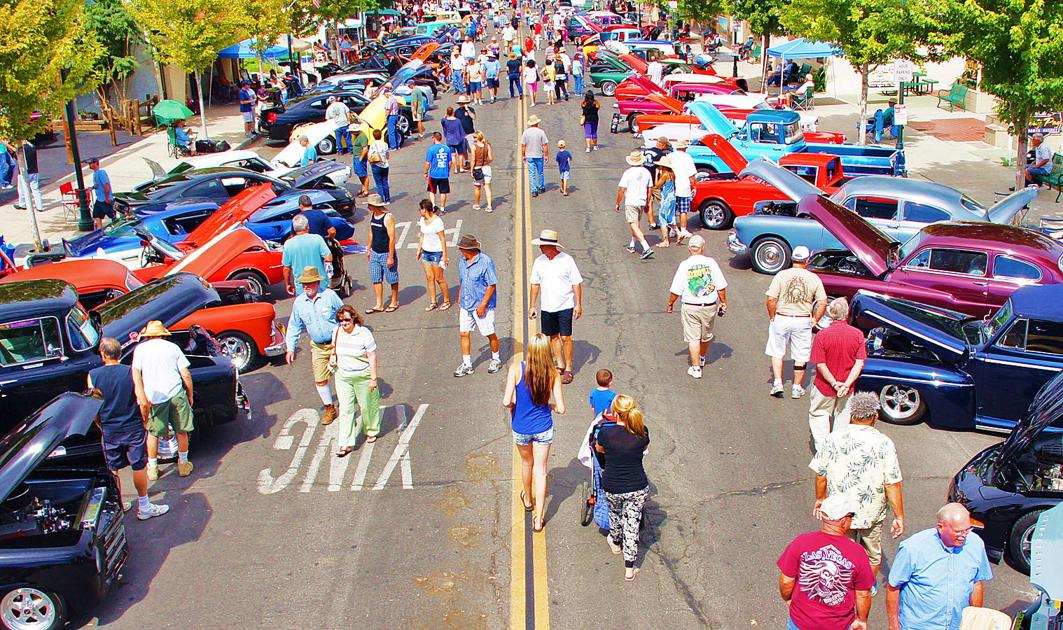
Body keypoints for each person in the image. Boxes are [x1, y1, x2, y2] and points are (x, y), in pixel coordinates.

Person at [811, 392, 904, 588]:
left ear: (852, 414)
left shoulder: (833, 439)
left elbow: (821, 473)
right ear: (875, 416)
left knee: (844, 550)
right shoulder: (884, 443)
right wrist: (899, 516)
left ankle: (844, 585)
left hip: (841, 511)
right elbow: (892, 483)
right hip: (872, 510)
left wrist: (820, 499)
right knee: (872, 554)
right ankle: (864, 587)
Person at [88, 337, 169, 520]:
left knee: (113, 469)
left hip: (109, 428)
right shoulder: (131, 372)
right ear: (119, 353)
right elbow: (142, 400)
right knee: (138, 466)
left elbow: (92, 405)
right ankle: (144, 505)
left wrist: (99, 423)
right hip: (132, 426)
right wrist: (145, 419)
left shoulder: (93, 375)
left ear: (103, 354)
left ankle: (119, 503)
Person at [887, 503, 994, 630]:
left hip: (957, 625)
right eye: (958, 531)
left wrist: (974, 620)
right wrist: (894, 625)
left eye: (967, 529)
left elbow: (976, 583)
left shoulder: (975, 544)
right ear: (940, 527)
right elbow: (893, 587)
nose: (964, 535)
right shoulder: (913, 549)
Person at [778, 493, 874, 630]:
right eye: (851, 516)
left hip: (800, 623)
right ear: (843, 521)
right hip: (838, 625)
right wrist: (861, 619)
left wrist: (787, 598)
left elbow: (786, 580)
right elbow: (863, 594)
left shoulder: (801, 542)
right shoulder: (857, 553)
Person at [502, 332, 566, 533]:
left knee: (526, 463)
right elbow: (562, 408)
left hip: (521, 427)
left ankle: (528, 499)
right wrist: (551, 406)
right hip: (543, 428)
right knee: (541, 469)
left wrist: (515, 403)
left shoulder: (516, 369)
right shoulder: (553, 374)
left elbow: (506, 402)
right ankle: (539, 519)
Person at [131, 321, 196, 480]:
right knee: (182, 430)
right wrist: (190, 394)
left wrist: (142, 397)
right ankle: (183, 463)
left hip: (154, 397)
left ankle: (152, 468)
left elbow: (136, 374)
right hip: (175, 393)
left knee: (154, 433)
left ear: (147, 335)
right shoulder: (172, 348)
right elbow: (185, 374)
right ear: (161, 333)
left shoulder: (140, 350)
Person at [765, 245, 828, 399]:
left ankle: (778, 383)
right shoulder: (813, 278)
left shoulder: (781, 275)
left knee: (777, 351)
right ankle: (796, 387)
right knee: (801, 354)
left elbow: (771, 299)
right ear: (806, 260)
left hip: (782, 316)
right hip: (802, 319)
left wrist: (772, 316)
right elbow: (823, 302)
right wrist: (815, 319)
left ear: (793, 259)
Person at [285, 266, 344, 427]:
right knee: (320, 380)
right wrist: (290, 348)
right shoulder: (299, 303)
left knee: (343, 377)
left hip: (336, 344)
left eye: (309, 283)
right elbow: (294, 326)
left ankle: (347, 406)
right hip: (318, 347)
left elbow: (344, 314)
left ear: (317, 283)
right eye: (303, 284)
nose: (306, 287)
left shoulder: (329, 296)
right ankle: (330, 408)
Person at [808, 298, 866, 452]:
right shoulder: (858, 335)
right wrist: (846, 384)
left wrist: (834, 383)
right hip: (847, 388)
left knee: (819, 415)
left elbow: (820, 364)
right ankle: (837, 451)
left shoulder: (822, 335)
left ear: (831, 313)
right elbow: (859, 363)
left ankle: (823, 451)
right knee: (842, 419)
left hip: (824, 386)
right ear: (846, 314)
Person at [665, 234, 728, 379]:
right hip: (709, 306)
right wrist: (723, 302)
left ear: (689, 249)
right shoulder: (711, 263)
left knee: (693, 338)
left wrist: (670, 304)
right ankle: (701, 357)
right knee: (705, 336)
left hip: (690, 306)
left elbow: (675, 290)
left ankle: (696, 368)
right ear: (702, 248)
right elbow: (721, 286)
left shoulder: (684, 265)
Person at [528, 229, 583, 385]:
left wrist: (578, 304)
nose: (540, 248)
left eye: (543, 245)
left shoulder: (567, 260)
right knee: (552, 336)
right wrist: (532, 305)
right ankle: (560, 364)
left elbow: (576, 283)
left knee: (565, 337)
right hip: (547, 306)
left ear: (552, 246)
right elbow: (535, 284)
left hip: (565, 304)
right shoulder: (539, 261)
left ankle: (569, 368)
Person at [329, 305, 382, 456]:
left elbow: (372, 356)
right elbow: (334, 349)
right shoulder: (337, 331)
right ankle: (345, 443)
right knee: (345, 409)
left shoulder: (363, 333)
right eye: (340, 320)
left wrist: (373, 379)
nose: (344, 323)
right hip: (343, 376)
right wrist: (333, 359)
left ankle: (371, 430)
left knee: (367, 406)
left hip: (362, 376)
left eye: (346, 320)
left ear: (353, 318)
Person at [454, 234, 502, 377]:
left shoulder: (485, 262)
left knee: (489, 333)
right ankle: (467, 364)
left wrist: (483, 305)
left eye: (462, 249)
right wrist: (459, 296)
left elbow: (491, 284)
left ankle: (496, 358)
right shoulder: (462, 262)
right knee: (464, 333)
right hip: (466, 304)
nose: (461, 251)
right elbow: (463, 280)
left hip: (481, 306)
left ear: (469, 249)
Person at [616, 151, 655, 259]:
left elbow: (622, 189)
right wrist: (647, 201)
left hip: (631, 201)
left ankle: (646, 247)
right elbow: (650, 188)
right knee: (636, 224)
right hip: (642, 201)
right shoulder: (646, 172)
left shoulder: (628, 173)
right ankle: (632, 245)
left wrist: (617, 203)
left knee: (633, 224)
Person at [365, 194, 399, 313]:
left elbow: (392, 238)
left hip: (386, 252)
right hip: (375, 251)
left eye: (369, 205)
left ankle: (394, 301)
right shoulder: (373, 215)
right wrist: (368, 248)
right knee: (376, 278)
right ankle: (379, 304)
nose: (368, 207)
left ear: (375, 205)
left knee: (392, 278)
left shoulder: (387, 217)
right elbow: (371, 232)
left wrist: (390, 256)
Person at [282, 213, 331, 295]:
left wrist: (288, 284)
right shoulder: (317, 239)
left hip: (302, 287)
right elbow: (329, 258)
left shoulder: (288, 244)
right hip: (320, 284)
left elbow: (286, 268)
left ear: (294, 228)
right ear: (308, 226)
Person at [417, 199, 451, 311]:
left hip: (437, 253)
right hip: (426, 252)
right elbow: (422, 235)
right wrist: (419, 249)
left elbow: (442, 239)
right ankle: (433, 301)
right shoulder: (422, 220)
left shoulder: (437, 221)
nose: (419, 211)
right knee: (429, 278)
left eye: (421, 209)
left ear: (425, 209)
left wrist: (444, 255)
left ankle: (446, 300)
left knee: (439, 278)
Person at [669, 140, 697, 240]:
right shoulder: (687, 157)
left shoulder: (670, 156)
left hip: (671, 187)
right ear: (685, 148)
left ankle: (673, 230)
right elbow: (692, 175)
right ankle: (683, 230)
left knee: (672, 211)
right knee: (683, 211)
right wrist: (694, 186)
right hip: (684, 187)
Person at [424, 132, 453, 213]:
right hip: (444, 174)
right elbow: (450, 162)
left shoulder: (431, 149)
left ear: (434, 138)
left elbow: (428, 162)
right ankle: (443, 208)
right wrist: (447, 170)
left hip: (433, 174)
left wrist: (425, 172)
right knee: (443, 192)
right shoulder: (447, 148)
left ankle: (433, 205)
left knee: (432, 191)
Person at [521, 114, 549, 197]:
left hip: (529, 155)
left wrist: (523, 155)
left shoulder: (526, 132)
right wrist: (546, 155)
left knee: (531, 173)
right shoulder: (541, 132)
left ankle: (534, 190)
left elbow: (523, 145)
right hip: (539, 155)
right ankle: (541, 187)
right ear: (537, 123)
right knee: (540, 172)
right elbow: (545, 145)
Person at [653, 155, 677, 246]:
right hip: (672, 197)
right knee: (671, 217)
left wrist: (657, 174)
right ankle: (678, 232)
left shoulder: (665, 174)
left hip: (666, 198)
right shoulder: (672, 173)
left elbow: (657, 185)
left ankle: (665, 241)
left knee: (663, 219)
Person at [470, 130, 494, 212]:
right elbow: (491, 158)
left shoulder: (474, 147)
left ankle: (477, 204)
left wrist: (471, 170)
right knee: (487, 187)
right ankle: (489, 206)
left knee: (477, 187)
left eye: (474, 137)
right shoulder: (487, 146)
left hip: (477, 168)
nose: (474, 139)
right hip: (486, 167)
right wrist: (486, 162)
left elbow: (473, 159)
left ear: (478, 138)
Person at [87, 157, 115, 229]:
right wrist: (92, 187)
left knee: (112, 215)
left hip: (104, 199)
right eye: (89, 163)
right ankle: (100, 229)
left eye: (91, 163)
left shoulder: (101, 172)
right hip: (99, 199)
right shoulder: (95, 173)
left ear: (96, 163)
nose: (89, 165)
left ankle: (116, 228)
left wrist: (107, 198)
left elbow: (106, 185)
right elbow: (98, 185)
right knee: (96, 214)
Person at [14, 140, 42, 211]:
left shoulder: (22, 149)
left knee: (21, 189)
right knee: (36, 189)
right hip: (34, 171)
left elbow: (16, 157)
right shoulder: (32, 147)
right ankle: (39, 206)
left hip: (24, 172)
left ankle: (22, 204)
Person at [367, 128, 392, 203]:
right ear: (381, 135)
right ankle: (387, 199)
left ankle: (381, 199)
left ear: (373, 136)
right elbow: (387, 155)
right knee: (385, 181)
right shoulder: (385, 144)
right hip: (385, 164)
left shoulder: (373, 145)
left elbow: (369, 156)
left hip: (376, 165)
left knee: (378, 183)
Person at [441, 107, 466, 175]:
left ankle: (455, 169)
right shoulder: (458, 120)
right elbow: (461, 130)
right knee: (460, 154)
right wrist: (463, 137)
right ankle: (461, 167)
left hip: (450, 139)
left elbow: (442, 121)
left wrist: (445, 116)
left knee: (453, 155)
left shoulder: (445, 121)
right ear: (453, 112)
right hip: (458, 139)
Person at [455, 96, 477, 170]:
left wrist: (468, 110)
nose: (462, 105)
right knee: (464, 150)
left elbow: (474, 117)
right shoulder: (457, 112)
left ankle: (474, 161)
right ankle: (467, 161)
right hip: (461, 134)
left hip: (470, 132)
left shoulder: (470, 109)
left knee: (472, 148)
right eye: (460, 103)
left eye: (463, 103)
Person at [351, 118, 371, 197]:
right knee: (359, 174)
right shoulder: (357, 136)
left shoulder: (362, 136)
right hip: (356, 157)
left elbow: (365, 149)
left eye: (352, 131)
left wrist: (360, 158)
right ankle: (363, 188)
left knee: (363, 174)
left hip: (360, 158)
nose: (351, 133)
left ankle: (366, 190)